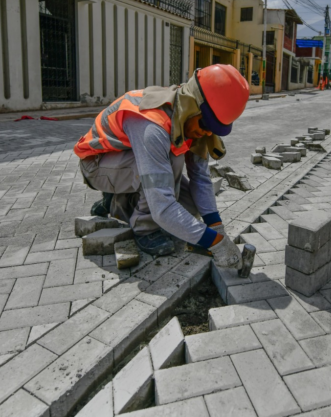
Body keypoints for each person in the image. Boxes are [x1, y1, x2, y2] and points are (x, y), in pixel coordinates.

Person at [73, 64, 248, 269]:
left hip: (128, 163)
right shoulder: (150, 123)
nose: (208, 133)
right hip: (97, 166)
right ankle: (143, 228)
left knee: (189, 207)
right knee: (171, 164)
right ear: (193, 105)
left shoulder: (192, 119)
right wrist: (215, 243)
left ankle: (119, 200)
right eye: (206, 126)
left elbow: (200, 177)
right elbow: (163, 208)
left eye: (214, 129)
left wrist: (216, 227)